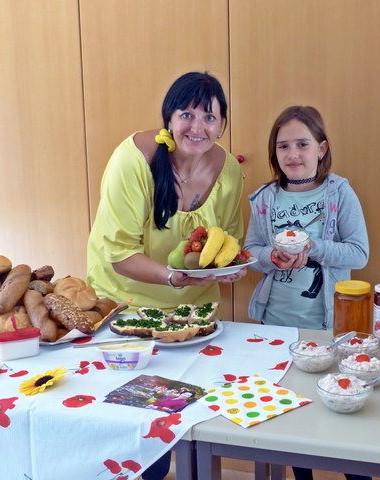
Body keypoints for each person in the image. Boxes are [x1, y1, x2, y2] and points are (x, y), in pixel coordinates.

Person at [86, 71, 246, 480]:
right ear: (168, 120)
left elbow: (224, 239)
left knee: (187, 418)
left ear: (223, 123)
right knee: (137, 425)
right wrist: (175, 278)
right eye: (186, 114)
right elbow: (119, 254)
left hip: (193, 316)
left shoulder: (228, 170)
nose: (198, 127)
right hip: (128, 309)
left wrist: (225, 270)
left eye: (210, 117)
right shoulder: (134, 160)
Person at [244, 106, 370, 480]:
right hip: (278, 328)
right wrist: (273, 256)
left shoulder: (339, 193)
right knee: (292, 419)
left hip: (329, 327)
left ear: (321, 148)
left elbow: (359, 253)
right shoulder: (265, 199)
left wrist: (312, 248)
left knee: (342, 412)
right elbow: (250, 251)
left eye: (302, 144)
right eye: (283, 146)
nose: (292, 154)